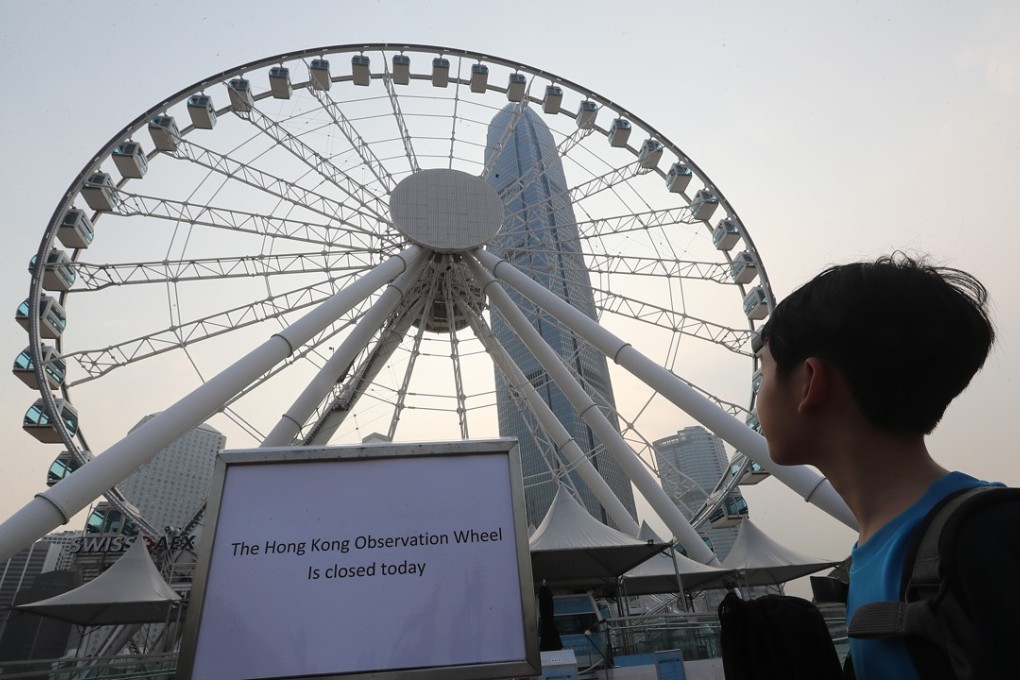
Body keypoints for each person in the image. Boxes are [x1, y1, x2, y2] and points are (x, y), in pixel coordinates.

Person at [755, 253, 1019, 679]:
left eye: (762, 374)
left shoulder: (984, 538)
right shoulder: (881, 551)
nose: (758, 397)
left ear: (809, 382)